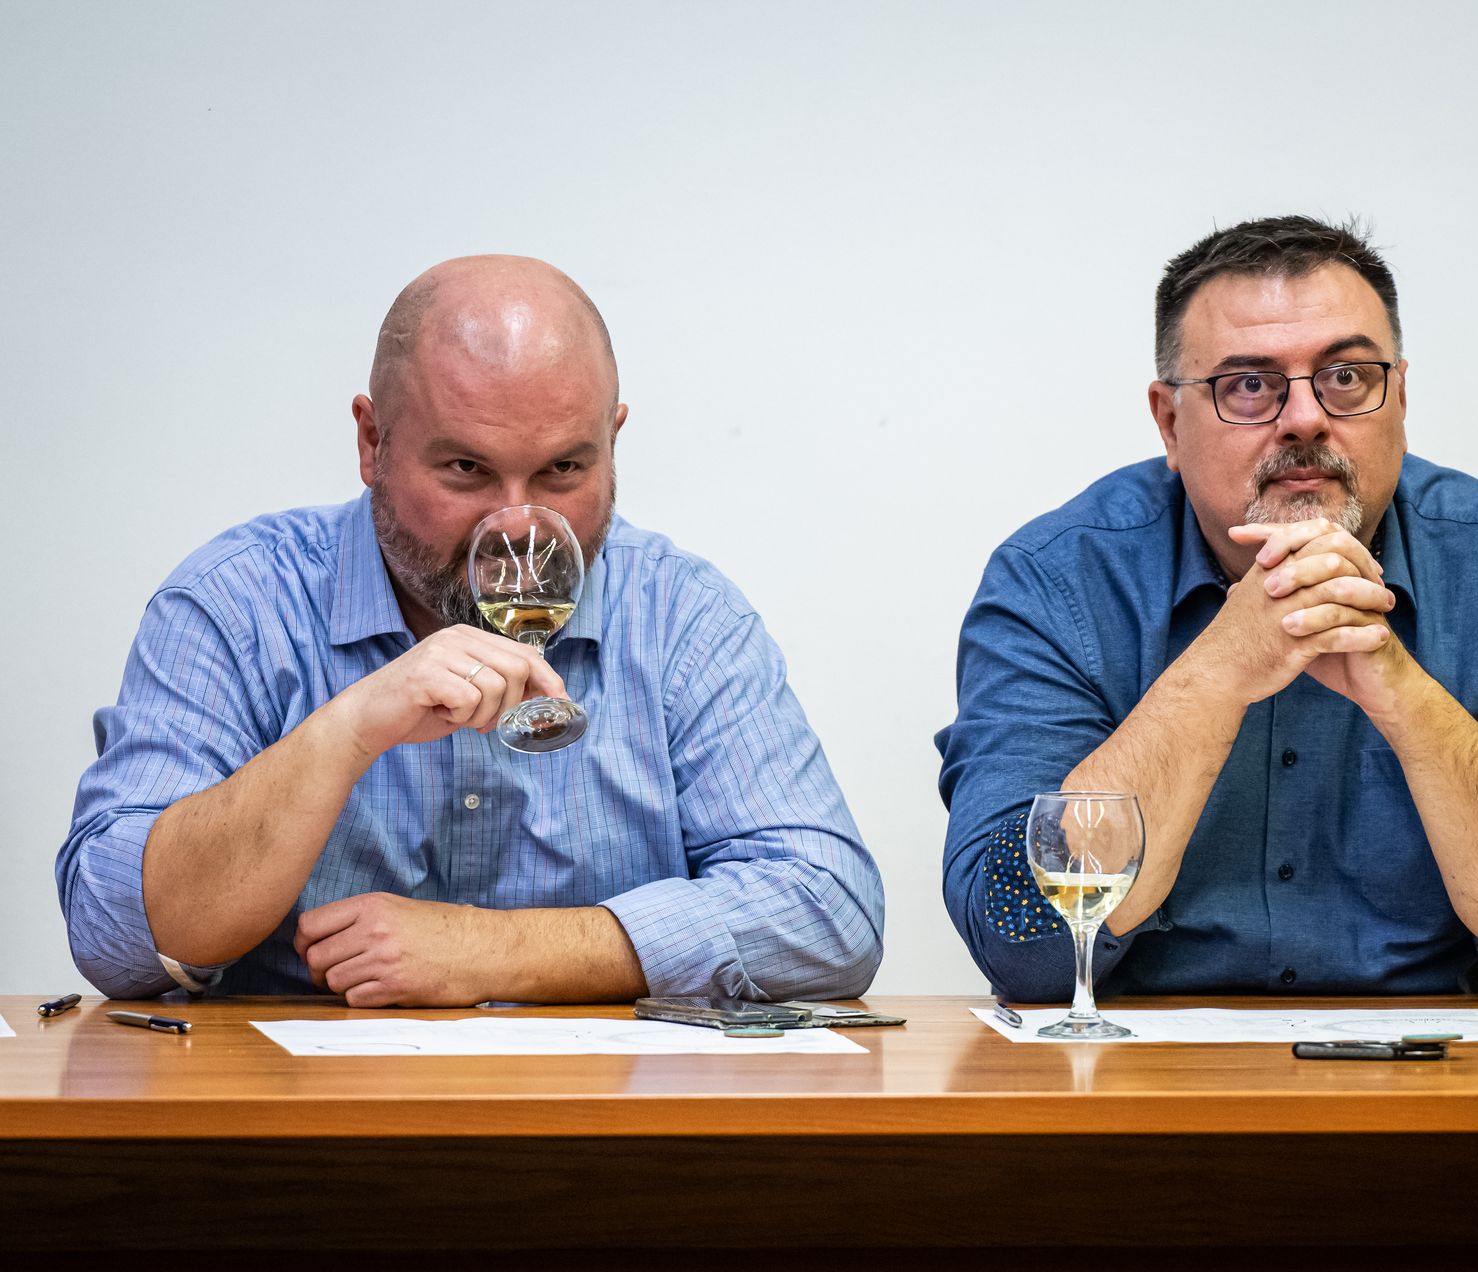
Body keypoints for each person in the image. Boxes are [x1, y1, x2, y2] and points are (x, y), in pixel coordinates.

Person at [59, 256, 883, 1005]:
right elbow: (111, 935)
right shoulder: (238, 603)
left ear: (613, 442)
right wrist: (344, 732)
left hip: (596, 1115)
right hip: (300, 1115)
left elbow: (830, 911)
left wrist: (498, 951)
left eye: (564, 469)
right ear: (372, 442)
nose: (519, 527)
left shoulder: (682, 617)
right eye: (466, 470)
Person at [937, 215, 1478, 1002]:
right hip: (1134, 1067)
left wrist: (1404, 693)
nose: (1307, 418)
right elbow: (1023, 944)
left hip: (1439, 1067)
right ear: (1170, 422)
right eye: (1249, 385)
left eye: (1346, 377)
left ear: (1400, 398)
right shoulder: (1055, 579)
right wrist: (1219, 668)